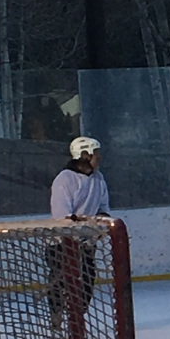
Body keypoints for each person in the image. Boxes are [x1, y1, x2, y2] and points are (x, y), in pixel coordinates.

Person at [48, 136, 111, 326]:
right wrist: (79, 226)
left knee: (87, 280)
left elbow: (103, 208)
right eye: (95, 152)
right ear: (85, 155)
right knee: (60, 280)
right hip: (61, 243)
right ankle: (56, 313)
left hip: (86, 242)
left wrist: (101, 225)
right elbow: (61, 215)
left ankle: (76, 317)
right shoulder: (64, 179)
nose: (99, 156)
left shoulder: (98, 178)